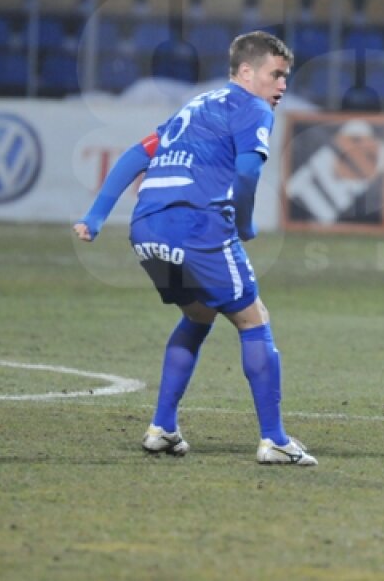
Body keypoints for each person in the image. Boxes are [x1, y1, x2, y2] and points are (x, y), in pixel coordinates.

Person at [74, 30, 316, 465]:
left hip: (146, 227)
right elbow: (245, 174)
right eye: (276, 75)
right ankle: (275, 439)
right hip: (196, 225)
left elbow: (136, 154)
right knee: (253, 318)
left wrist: (95, 216)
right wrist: (242, 222)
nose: (282, 86)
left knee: (199, 313)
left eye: (286, 77)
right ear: (246, 72)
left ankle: (162, 429)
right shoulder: (253, 108)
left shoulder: (196, 106)